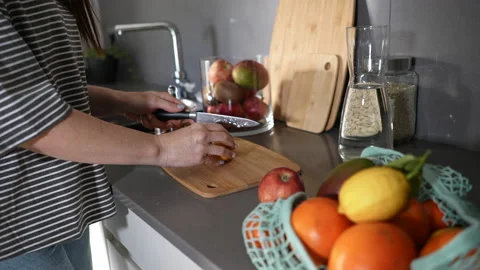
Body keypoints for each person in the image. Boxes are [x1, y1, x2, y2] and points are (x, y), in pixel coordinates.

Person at [0, 0, 236, 269]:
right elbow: (29, 120)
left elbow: (43, 93)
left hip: (61, 213)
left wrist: (121, 101)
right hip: (18, 232)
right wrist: (164, 149)